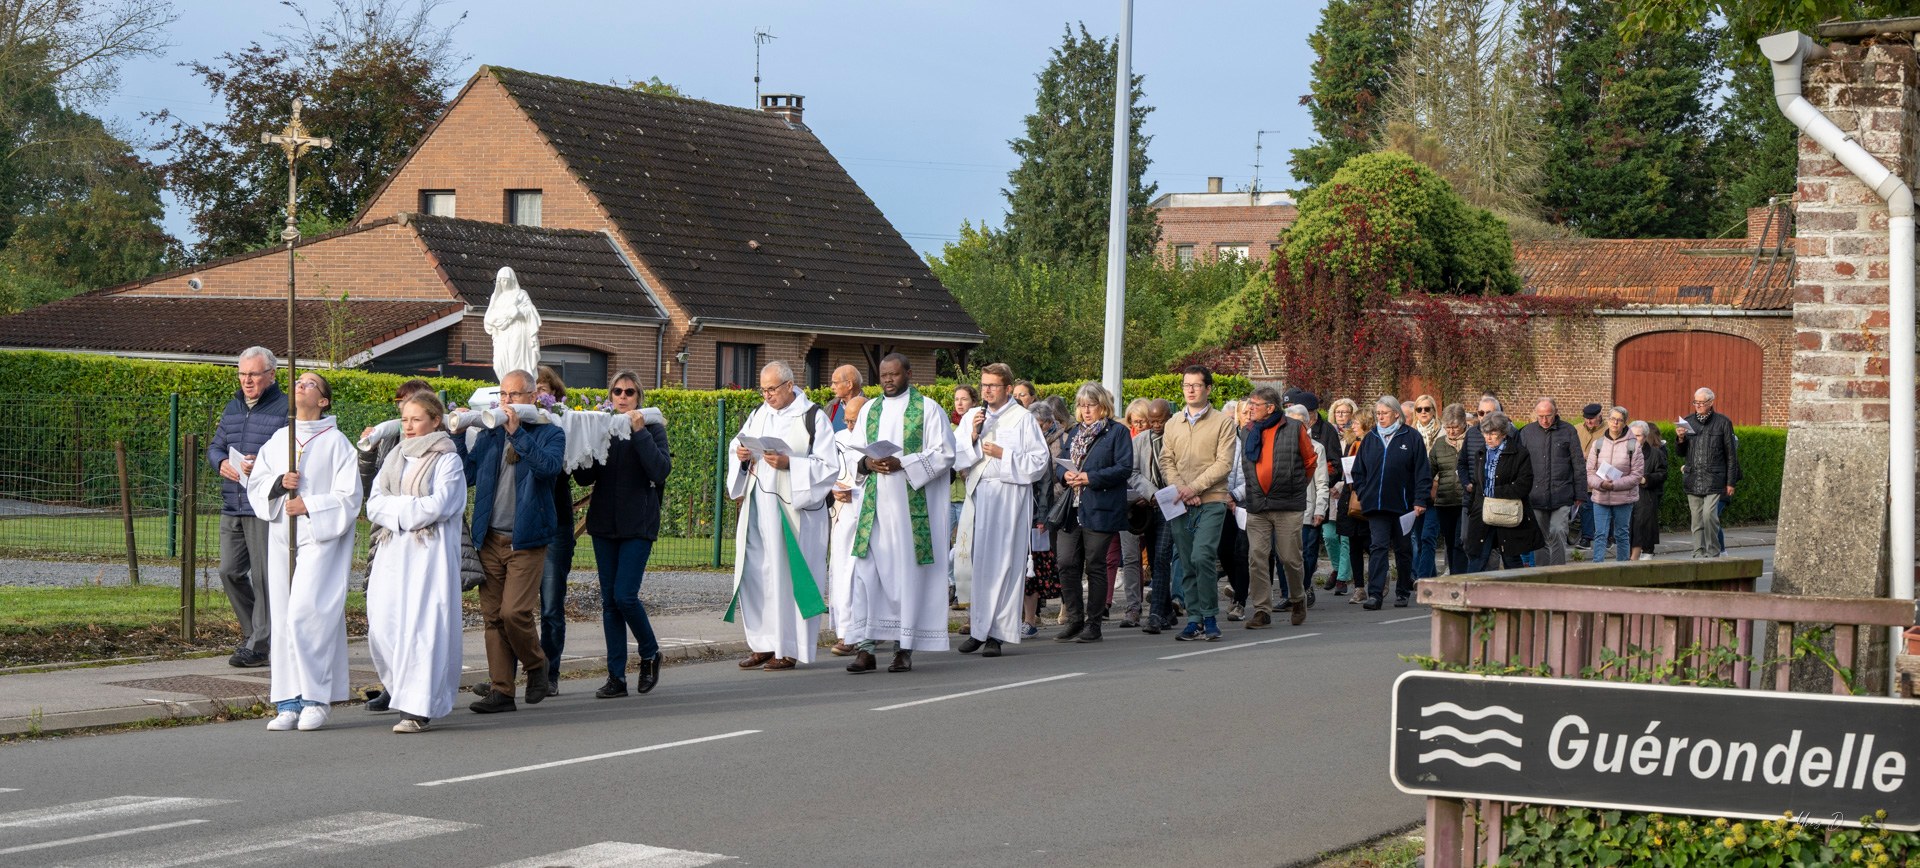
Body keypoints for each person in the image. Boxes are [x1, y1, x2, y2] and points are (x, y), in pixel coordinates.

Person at [245, 372, 360, 731]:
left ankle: (316, 697)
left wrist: (309, 504)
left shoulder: (338, 443)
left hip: (319, 540)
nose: (300, 386)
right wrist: (280, 485)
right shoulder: (280, 438)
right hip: (282, 535)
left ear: (324, 401)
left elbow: (349, 497)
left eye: (310, 384)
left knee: (306, 615)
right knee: (282, 616)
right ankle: (288, 699)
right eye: (299, 382)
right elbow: (258, 482)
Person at [460, 369, 566, 713]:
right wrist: (461, 435)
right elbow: (468, 476)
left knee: (514, 612)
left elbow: (548, 469)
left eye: (514, 395)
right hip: (489, 539)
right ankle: (502, 691)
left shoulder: (550, 432)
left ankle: (537, 665)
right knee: (492, 617)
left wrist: (518, 433)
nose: (506, 401)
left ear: (532, 397)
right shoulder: (490, 435)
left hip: (527, 539)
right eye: (503, 395)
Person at [842, 353, 955, 673]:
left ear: (908, 373)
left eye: (894, 374)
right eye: (883, 375)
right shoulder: (869, 411)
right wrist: (868, 463)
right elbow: (854, 452)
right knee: (866, 576)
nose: (888, 380)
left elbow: (946, 454)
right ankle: (865, 649)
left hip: (909, 517)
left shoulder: (929, 410)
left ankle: (903, 649)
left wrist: (903, 464)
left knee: (906, 579)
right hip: (875, 511)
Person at [363, 391, 466, 733]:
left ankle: (418, 707)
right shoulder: (394, 456)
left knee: (424, 628)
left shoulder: (448, 460)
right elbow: (374, 504)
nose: (408, 426)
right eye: (405, 419)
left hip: (428, 555)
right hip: (393, 552)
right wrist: (407, 510)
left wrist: (398, 510)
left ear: (435, 421)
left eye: (416, 419)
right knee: (383, 623)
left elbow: (440, 505)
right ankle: (401, 687)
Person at [726, 363, 832, 672]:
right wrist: (742, 454)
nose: (767, 395)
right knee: (757, 575)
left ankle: (789, 648)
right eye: (763, 389)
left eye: (772, 389)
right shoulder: (759, 413)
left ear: (789, 385)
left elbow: (828, 467)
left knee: (788, 578)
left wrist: (790, 464)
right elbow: (738, 443)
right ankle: (763, 643)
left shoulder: (813, 416)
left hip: (793, 511)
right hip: (760, 505)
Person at [574, 370, 672, 694]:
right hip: (604, 525)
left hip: (637, 526)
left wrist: (640, 432)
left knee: (624, 596)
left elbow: (660, 471)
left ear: (638, 397)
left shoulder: (653, 428)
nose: (623, 397)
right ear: (610, 394)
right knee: (609, 603)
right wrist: (582, 446)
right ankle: (616, 677)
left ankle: (650, 652)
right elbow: (585, 479)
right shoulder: (603, 426)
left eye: (629, 392)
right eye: (617, 391)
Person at [952, 364, 1049, 658]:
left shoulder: (1022, 419)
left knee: (1004, 564)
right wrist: (971, 437)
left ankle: (998, 633)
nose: (987, 391)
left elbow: (1039, 461)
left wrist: (1004, 455)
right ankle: (978, 629)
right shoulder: (973, 416)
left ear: (1008, 388)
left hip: (1009, 494)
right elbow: (954, 456)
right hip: (979, 493)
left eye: (993, 385)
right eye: (984, 385)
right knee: (978, 563)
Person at [208, 346, 289, 669]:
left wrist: (265, 467)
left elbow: (292, 456)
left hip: (264, 504)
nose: (247, 380)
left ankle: (259, 644)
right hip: (233, 502)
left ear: (271, 375)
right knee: (228, 571)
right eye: (242, 374)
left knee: (265, 576)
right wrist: (221, 462)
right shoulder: (233, 407)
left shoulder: (286, 410)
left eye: (254, 374)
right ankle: (256, 633)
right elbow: (215, 446)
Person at [1228, 387, 1324, 627]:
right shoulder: (1247, 431)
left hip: (1288, 504)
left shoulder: (1294, 428)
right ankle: (1262, 610)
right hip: (1257, 504)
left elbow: (1310, 461)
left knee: (1290, 558)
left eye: (1255, 404)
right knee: (1257, 556)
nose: (1249, 408)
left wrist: (1297, 486)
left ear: (1270, 408)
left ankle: (1297, 598)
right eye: (1249, 404)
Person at [1050, 381, 1133, 643]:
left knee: (1095, 566)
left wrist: (1089, 477)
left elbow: (1123, 468)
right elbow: (1059, 465)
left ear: (1103, 406)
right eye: (1082, 405)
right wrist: (1067, 475)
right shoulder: (1074, 432)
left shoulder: (1117, 432)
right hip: (1072, 507)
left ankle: (1094, 623)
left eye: (1091, 405)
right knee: (1065, 562)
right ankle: (1075, 618)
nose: (1086, 410)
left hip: (1101, 508)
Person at [1160, 365, 1236, 641]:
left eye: (1196, 385)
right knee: (1186, 562)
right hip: (1180, 501)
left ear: (1208, 388)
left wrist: (1195, 487)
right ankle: (1194, 619)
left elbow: (1224, 463)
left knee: (1202, 555)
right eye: (1186, 385)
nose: (1190, 390)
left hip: (1212, 500)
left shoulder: (1223, 422)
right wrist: (1182, 488)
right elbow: (1166, 461)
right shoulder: (1172, 423)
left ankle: (1209, 615)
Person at [1349, 395, 1430, 610]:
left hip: (1403, 505)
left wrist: (1420, 499)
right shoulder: (1370, 438)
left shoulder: (1411, 437)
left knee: (1403, 549)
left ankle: (1402, 591)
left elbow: (1422, 472)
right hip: (1376, 505)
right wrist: (1365, 493)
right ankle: (1375, 594)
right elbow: (1358, 471)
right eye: (1378, 414)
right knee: (1378, 548)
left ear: (1396, 414)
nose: (1380, 417)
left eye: (1385, 413)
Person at [532, 366, 574, 696]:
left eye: (540, 388)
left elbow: (569, 471)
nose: (535, 394)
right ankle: (505, 676)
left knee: (550, 603)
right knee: (510, 608)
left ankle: (550, 672)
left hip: (555, 522)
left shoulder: (562, 426)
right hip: (518, 524)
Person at [1462, 413, 1546, 570]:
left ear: (1503, 433)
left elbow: (1524, 485)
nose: (1488, 437)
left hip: (1508, 512)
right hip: (1483, 513)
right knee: (1478, 558)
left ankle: (1517, 594)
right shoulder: (1481, 453)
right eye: (1485, 433)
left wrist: (1494, 491)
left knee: (1511, 559)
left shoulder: (1519, 453)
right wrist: (1473, 508)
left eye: (1493, 433)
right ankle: (1470, 593)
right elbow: (1477, 484)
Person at [1285, 390, 1343, 591]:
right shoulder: (1282, 442)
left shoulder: (1321, 440)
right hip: (1287, 507)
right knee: (1287, 553)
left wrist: (1321, 507)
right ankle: (1292, 591)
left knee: (1309, 551)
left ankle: (1305, 585)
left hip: (1311, 505)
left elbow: (1331, 469)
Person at [1518, 398, 1585, 567]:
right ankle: (1541, 574)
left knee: (1558, 531)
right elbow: (1520, 465)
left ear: (1555, 413)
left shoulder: (1568, 431)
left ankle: (1558, 573)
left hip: (1561, 493)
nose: (1544, 420)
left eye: (1548, 415)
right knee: (1538, 537)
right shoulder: (1527, 432)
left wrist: (1580, 493)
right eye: (1540, 416)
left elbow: (1578, 464)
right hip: (1535, 495)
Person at [1676, 387, 1740, 558]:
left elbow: (1731, 455)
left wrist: (1730, 482)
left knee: (1708, 516)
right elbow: (1681, 453)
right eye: (1696, 402)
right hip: (1693, 477)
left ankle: (1713, 551)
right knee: (1696, 520)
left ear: (1711, 403)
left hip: (1715, 479)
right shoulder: (1688, 422)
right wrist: (1680, 438)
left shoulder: (1723, 422)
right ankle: (1698, 553)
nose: (1698, 405)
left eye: (1702, 402)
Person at [1130, 399, 1176, 633]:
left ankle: (1156, 614)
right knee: (1157, 557)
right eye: (1153, 421)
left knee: (1161, 557)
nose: (1156, 425)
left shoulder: (1177, 439)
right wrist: (1152, 494)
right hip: (1151, 506)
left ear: (1170, 417)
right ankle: (1167, 611)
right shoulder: (1139, 442)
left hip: (1174, 504)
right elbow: (1133, 472)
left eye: (1161, 420)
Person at [1026, 402, 1067, 635]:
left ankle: (1033, 618)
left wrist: (1042, 517)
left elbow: (1045, 484)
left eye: (1037, 424)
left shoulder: (1055, 442)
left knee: (1039, 565)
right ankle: (1025, 618)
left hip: (1045, 512)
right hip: (1021, 514)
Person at [1457, 395, 1510, 573]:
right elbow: (1462, 463)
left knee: (1494, 543)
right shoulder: (1472, 433)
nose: (1484, 416)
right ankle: (1475, 575)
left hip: (1498, 499)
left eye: (1489, 412)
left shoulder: (1510, 435)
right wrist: (1466, 483)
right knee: (1466, 539)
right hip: (1473, 498)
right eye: (1481, 412)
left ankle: (1488, 576)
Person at [1584, 406, 1645, 563]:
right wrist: (1601, 484)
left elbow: (1637, 475)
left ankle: (1622, 570)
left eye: (1619, 420)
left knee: (1621, 534)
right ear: (1608, 420)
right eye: (1612, 419)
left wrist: (1615, 485)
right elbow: (1589, 472)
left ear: (1625, 423)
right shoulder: (1598, 444)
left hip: (1623, 498)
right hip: (1601, 497)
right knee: (1600, 534)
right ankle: (1597, 568)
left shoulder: (1633, 446)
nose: (1615, 423)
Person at [356, 378, 435, 497]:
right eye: (401, 401)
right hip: (390, 513)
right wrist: (368, 453)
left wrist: (459, 431)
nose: (405, 407)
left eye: (413, 401)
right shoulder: (389, 439)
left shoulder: (444, 443)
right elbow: (367, 488)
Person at [1217, 399, 1252, 621]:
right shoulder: (1230, 439)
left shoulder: (1258, 439)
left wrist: (1235, 496)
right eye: (1245, 412)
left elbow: (1256, 476)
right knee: (1223, 550)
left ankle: (1240, 601)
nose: (1249, 415)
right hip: (1223, 501)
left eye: (1252, 411)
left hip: (1248, 503)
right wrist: (1224, 495)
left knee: (1242, 552)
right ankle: (1238, 586)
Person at [1427, 404, 1469, 576]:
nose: (1451, 431)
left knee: (1461, 541)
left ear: (1464, 424)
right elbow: (1429, 470)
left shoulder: (1472, 440)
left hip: (1466, 501)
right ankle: (1454, 575)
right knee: (1450, 541)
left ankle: (1460, 577)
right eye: (1448, 428)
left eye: (1455, 427)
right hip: (1444, 502)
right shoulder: (1439, 444)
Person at [947, 384, 979, 607]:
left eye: (964, 399)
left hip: (968, 493)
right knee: (945, 545)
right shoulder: (949, 427)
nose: (959, 403)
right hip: (950, 495)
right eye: (957, 399)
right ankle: (949, 584)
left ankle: (963, 589)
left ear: (973, 402)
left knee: (964, 546)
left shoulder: (978, 423)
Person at [1408, 395, 1442, 577]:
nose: (1423, 412)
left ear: (1433, 411)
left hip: (1435, 490)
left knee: (1428, 536)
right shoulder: (1410, 432)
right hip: (1416, 491)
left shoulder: (1442, 432)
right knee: (1418, 537)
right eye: (1419, 409)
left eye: (1427, 409)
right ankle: (1432, 575)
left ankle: (1421, 579)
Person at [1629, 420, 1668, 561]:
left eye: (1638, 435)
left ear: (1645, 436)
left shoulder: (1655, 454)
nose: (1635, 438)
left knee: (1643, 525)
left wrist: (1646, 479)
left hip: (1645, 496)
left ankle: (1646, 552)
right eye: (1632, 435)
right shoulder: (1623, 452)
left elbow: (1663, 474)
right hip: (1626, 496)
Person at [1574, 403, 1605, 550]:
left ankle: (1605, 536)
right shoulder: (1577, 429)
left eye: (1592, 419)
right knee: (1585, 506)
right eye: (1586, 419)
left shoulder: (1607, 431)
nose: (1589, 422)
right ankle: (1586, 537)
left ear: (1600, 415)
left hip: (1600, 474)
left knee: (1601, 506)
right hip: (1580, 475)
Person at [826, 364, 868, 433]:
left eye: (835, 383)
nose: (832, 387)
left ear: (849, 384)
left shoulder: (870, 407)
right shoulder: (831, 406)